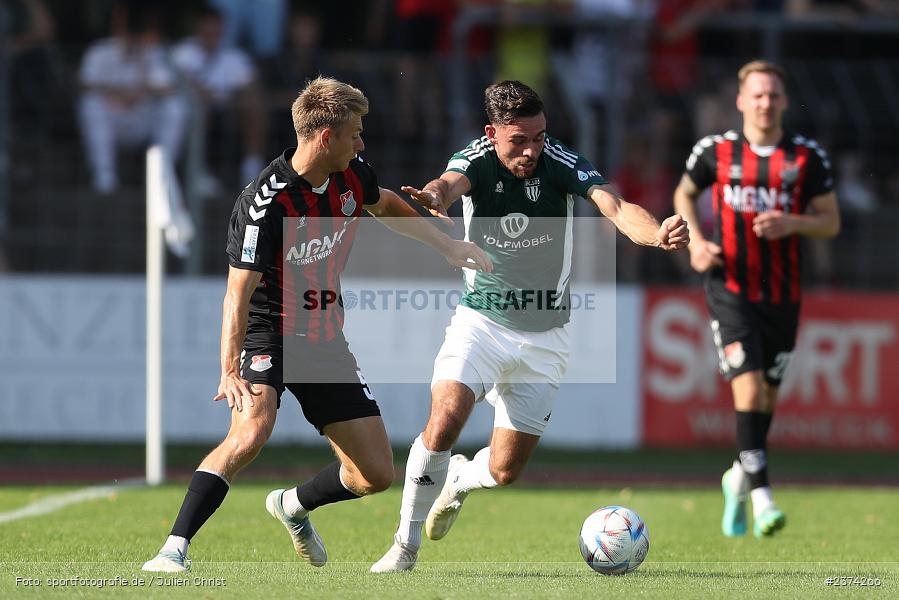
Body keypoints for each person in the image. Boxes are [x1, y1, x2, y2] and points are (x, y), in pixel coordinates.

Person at [141, 76, 492, 573]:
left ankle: (292, 506)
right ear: (325, 137)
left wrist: (448, 245)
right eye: (355, 133)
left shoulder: (351, 174)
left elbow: (385, 203)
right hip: (269, 331)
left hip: (324, 338)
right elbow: (236, 294)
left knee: (374, 474)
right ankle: (173, 549)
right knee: (250, 432)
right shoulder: (266, 204)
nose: (362, 142)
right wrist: (229, 369)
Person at [370, 80, 689, 573]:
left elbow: (616, 206)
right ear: (492, 132)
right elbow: (448, 183)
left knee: (503, 470)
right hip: (481, 321)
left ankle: (458, 481)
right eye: (519, 140)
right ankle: (404, 548)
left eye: (539, 137)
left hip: (546, 337)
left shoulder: (561, 163)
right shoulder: (476, 158)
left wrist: (656, 235)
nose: (531, 150)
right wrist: (434, 195)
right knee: (445, 418)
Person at [672, 60, 840, 538]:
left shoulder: (806, 158)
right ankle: (764, 496)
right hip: (730, 288)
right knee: (746, 390)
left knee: (765, 397)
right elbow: (684, 194)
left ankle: (737, 478)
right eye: (757, 95)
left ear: (784, 102)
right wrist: (697, 242)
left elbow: (830, 221)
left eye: (773, 95)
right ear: (742, 101)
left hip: (783, 295)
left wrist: (795, 223)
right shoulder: (716, 151)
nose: (765, 103)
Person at [77, 1, 187, 194]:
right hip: (113, 120)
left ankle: (163, 177)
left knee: (175, 107)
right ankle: (105, 177)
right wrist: (119, 93)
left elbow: (168, 88)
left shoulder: (155, 52)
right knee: (90, 105)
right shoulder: (100, 50)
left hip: (143, 120)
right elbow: (85, 84)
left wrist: (142, 85)